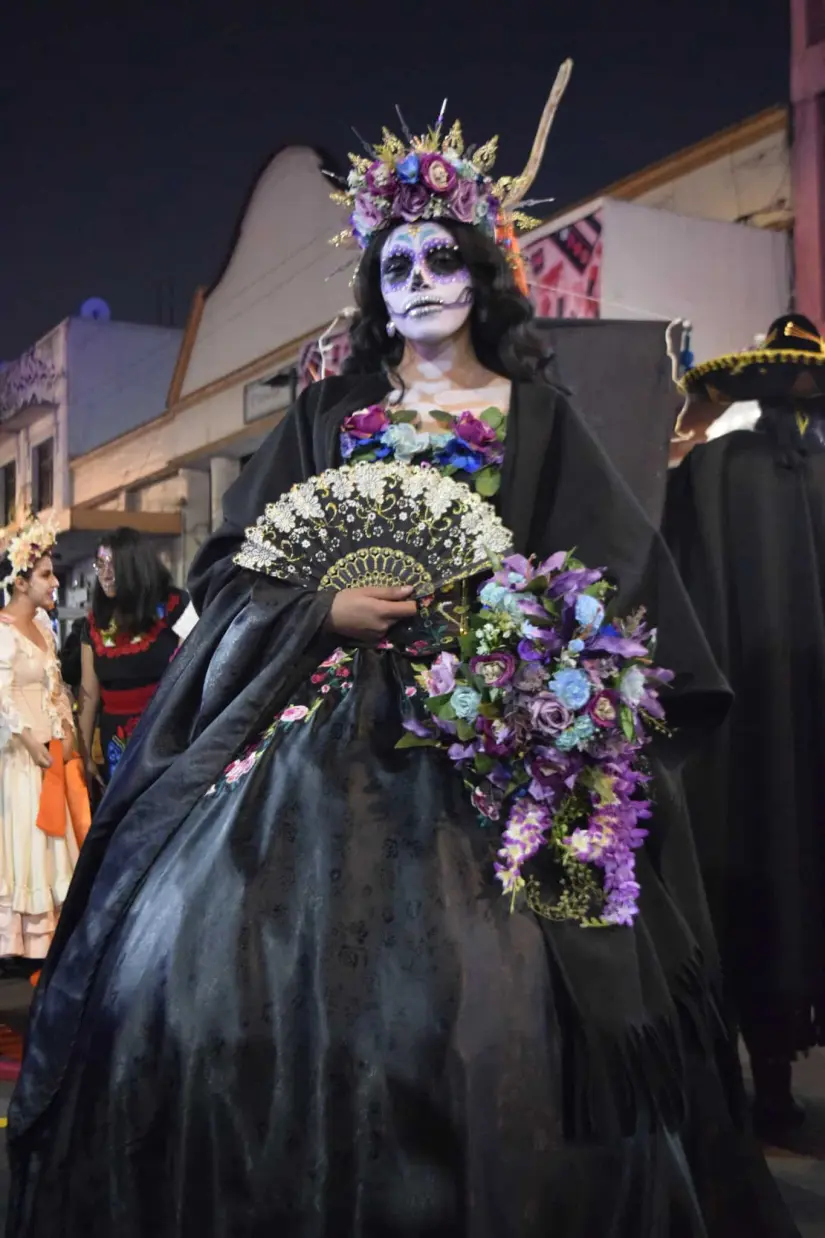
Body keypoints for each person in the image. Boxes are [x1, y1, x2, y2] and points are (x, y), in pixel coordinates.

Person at [6, 84, 798, 1238]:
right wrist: (318, 610)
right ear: (375, 290)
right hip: (326, 744)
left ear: (482, 271)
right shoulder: (327, 415)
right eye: (394, 265)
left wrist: (519, 636)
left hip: (497, 736)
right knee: (201, 979)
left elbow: (616, 574)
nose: (419, 280)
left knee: (525, 1003)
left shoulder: (540, 416)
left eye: (441, 257)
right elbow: (231, 568)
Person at [664, 313, 825, 1138]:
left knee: (742, 878)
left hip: (738, 733)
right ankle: (771, 1091)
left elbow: (655, 566)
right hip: (805, 726)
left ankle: (737, 1095)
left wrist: (685, 435)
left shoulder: (710, 470)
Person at [0, 516, 78, 962]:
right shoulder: (5, 630)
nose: (55, 582)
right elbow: (3, 694)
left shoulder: (46, 628)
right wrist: (30, 743)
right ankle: (15, 944)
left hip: (51, 750)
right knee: (24, 844)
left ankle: (45, 943)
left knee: (53, 846)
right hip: (19, 756)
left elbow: (55, 687)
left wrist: (65, 735)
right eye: (46, 575)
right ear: (21, 580)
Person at [76, 527, 198, 787]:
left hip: (165, 735)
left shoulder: (175, 606)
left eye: (114, 565)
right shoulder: (96, 621)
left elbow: (192, 677)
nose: (106, 575)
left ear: (134, 566)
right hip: (114, 742)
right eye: (100, 565)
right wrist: (83, 753)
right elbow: (89, 692)